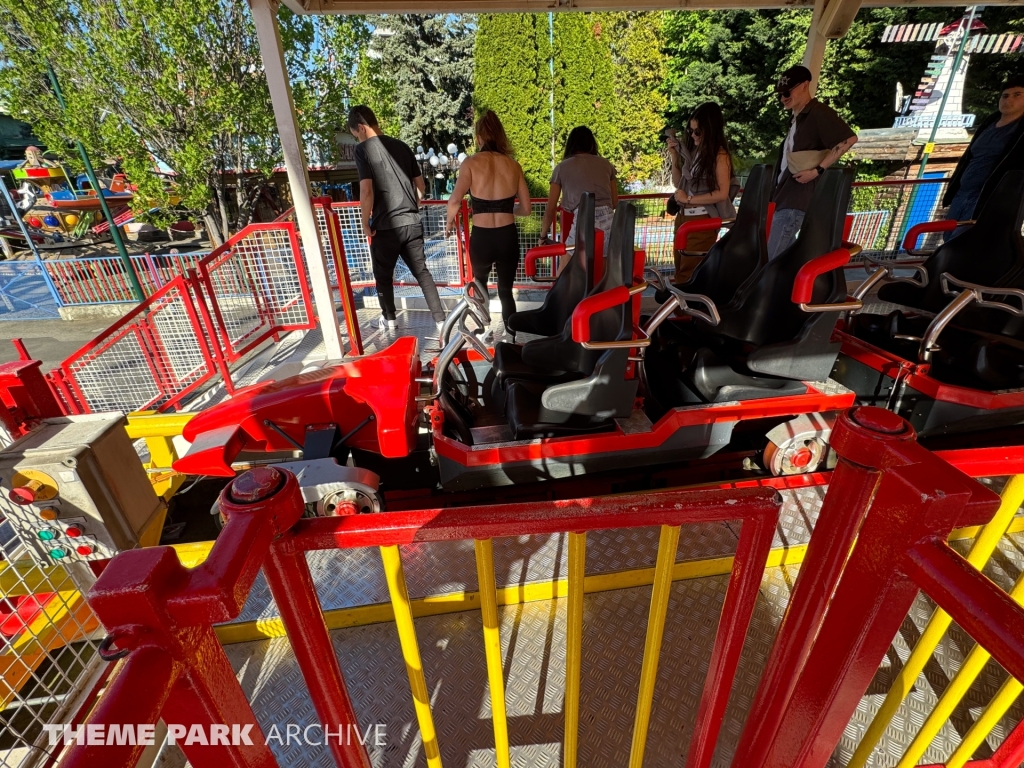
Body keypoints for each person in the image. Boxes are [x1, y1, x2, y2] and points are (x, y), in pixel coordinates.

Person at [349, 105, 446, 333]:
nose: (357, 141)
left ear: (361, 128)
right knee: (422, 273)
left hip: (386, 226)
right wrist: (412, 207)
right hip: (412, 223)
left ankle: (389, 319)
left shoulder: (363, 151)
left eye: (356, 136)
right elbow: (420, 186)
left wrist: (364, 221)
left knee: (383, 275)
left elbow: (366, 190)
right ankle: (441, 322)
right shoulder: (402, 147)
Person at [445, 110, 531, 338]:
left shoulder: (471, 164)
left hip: (482, 237)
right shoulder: (514, 166)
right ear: (500, 136)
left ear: (479, 137)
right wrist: (504, 209)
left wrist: (449, 222)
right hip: (507, 236)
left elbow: (454, 201)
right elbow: (526, 208)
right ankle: (512, 337)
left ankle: (482, 333)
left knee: (480, 285)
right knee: (505, 291)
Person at [768, 65, 858, 260]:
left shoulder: (818, 112)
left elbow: (849, 139)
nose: (783, 98)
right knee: (785, 258)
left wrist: (817, 170)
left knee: (773, 258)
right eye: (780, 95)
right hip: (786, 195)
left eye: (786, 92)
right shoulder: (797, 118)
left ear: (804, 85)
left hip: (797, 198)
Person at [666, 102, 739, 284]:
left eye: (697, 131)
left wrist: (689, 199)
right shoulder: (696, 153)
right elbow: (678, 183)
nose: (693, 135)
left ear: (710, 130)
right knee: (681, 267)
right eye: (690, 131)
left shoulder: (720, 156)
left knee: (689, 272)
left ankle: (688, 309)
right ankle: (685, 308)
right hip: (684, 218)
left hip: (701, 219)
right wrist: (675, 156)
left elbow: (722, 193)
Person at [943, 75, 1024, 237]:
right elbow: (968, 157)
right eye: (1005, 95)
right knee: (948, 237)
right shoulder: (988, 123)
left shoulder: (1020, 131)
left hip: (989, 198)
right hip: (963, 193)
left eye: (1017, 95)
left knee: (966, 240)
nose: (1008, 100)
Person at [539, 127, 618, 267]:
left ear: (570, 145)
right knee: (603, 272)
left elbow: (550, 209)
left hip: (582, 218)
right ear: (592, 144)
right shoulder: (606, 164)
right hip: (608, 219)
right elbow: (614, 202)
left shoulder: (561, 168)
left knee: (565, 268)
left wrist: (543, 236)